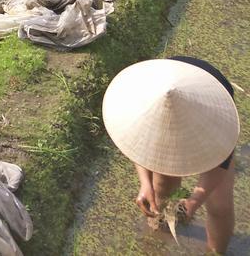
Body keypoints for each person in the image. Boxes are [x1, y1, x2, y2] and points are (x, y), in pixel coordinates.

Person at [103, 57, 240, 253]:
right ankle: (161, 226)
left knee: (220, 203)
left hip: (211, 99)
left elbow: (220, 166)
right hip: (166, 85)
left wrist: (195, 200)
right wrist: (145, 184)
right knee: (162, 186)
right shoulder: (142, 109)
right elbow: (138, 145)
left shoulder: (215, 124)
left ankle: (216, 251)